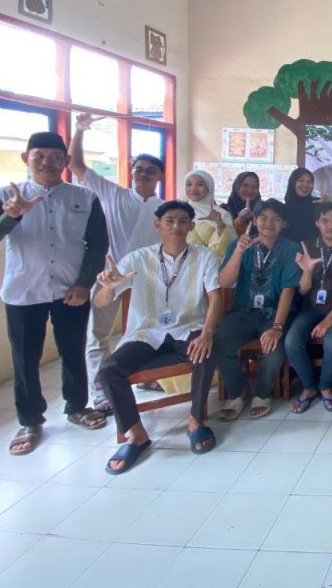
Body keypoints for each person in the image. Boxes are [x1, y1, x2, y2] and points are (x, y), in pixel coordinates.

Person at [0, 131, 109, 455]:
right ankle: (30, 420)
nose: (48, 162)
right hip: (23, 291)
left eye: (56, 157)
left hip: (70, 290)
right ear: (26, 158)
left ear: (66, 161)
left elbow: (97, 244)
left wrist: (84, 283)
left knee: (73, 351)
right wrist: (10, 216)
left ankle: (77, 406)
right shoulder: (5, 196)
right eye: (39, 156)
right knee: (25, 358)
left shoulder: (84, 197)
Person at [93, 200, 221, 474]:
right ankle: (136, 433)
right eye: (170, 221)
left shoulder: (204, 256)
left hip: (187, 326)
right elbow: (101, 302)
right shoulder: (137, 258)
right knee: (109, 370)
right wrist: (109, 287)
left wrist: (207, 333)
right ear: (158, 225)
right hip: (146, 331)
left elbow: (215, 295)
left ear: (191, 226)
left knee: (206, 352)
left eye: (183, 221)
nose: (176, 226)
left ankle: (195, 421)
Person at [69, 113, 163, 414]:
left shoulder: (163, 209)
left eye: (150, 171)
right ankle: (100, 390)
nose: (143, 174)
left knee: (147, 329)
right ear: (132, 172)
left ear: (159, 176)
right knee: (99, 334)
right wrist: (79, 130)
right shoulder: (112, 193)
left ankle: (147, 376)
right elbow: (76, 165)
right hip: (110, 275)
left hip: (147, 277)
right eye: (139, 169)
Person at [213, 200, 300, 420]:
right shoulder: (239, 244)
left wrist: (277, 327)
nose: (269, 223)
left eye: (276, 219)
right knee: (218, 342)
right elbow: (224, 282)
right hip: (242, 312)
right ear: (254, 220)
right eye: (263, 218)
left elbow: (288, 290)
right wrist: (238, 253)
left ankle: (262, 392)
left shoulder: (291, 249)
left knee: (273, 349)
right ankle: (238, 392)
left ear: (284, 223)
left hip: (273, 313)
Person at [285, 202, 332, 413]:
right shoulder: (307, 246)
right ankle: (309, 386)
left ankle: (325, 385)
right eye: (325, 221)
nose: (330, 226)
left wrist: (329, 320)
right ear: (317, 223)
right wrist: (307, 271)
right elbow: (302, 290)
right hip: (312, 307)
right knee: (291, 341)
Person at [183, 169, 235, 259]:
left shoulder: (222, 214)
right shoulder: (180, 212)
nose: (193, 189)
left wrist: (219, 224)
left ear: (209, 187)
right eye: (189, 184)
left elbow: (230, 246)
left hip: (211, 264)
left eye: (200, 184)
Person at [282, 167, 319, 245]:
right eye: (301, 180)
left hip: (314, 249)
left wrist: (329, 204)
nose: (305, 185)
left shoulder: (318, 205)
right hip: (290, 250)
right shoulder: (283, 209)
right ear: (293, 183)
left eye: (309, 181)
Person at [223, 171, 262, 237]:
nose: (249, 190)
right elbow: (223, 238)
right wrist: (240, 220)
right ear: (236, 188)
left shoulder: (263, 211)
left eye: (254, 187)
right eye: (245, 185)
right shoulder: (224, 211)